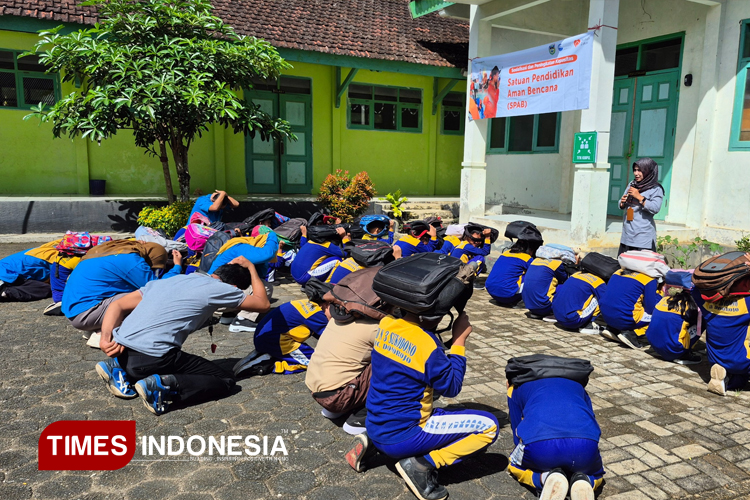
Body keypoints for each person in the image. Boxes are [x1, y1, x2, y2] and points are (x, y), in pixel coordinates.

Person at [345, 266, 498, 500]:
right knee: (489, 425)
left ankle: (372, 441)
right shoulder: (426, 345)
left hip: (375, 423)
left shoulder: (386, 325)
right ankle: (422, 464)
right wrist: (459, 340)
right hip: (405, 435)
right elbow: (452, 386)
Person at [94, 257, 269, 413]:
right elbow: (263, 304)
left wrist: (104, 339)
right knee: (224, 379)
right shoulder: (221, 289)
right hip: (151, 358)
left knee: (155, 358)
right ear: (234, 287)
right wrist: (252, 268)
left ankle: (119, 368)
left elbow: (116, 305)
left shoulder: (171, 280)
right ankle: (160, 386)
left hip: (121, 348)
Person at [507, 369, 604, 500]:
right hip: (584, 446)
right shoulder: (578, 385)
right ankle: (585, 481)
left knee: (513, 465)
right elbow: (591, 418)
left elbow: (516, 427)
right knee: (598, 475)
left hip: (541, 447)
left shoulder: (515, 387)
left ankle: (545, 478)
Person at [62, 243, 182, 345]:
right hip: (85, 313)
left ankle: (96, 327)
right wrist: (177, 267)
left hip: (75, 311)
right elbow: (157, 288)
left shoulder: (110, 252)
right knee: (147, 298)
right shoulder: (133, 261)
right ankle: (106, 334)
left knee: (131, 293)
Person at [233, 280, 332, 377]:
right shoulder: (318, 314)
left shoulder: (310, 304)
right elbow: (330, 337)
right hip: (275, 342)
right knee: (317, 363)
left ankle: (267, 354)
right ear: (326, 304)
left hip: (267, 339)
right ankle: (271, 364)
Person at [306, 313, 378, 435]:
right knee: (394, 362)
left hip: (315, 389)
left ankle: (340, 409)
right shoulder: (376, 327)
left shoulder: (338, 317)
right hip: (338, 397)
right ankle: (361, 417)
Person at [599, 269, 662, 350]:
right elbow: (650, 308)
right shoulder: (649, 279)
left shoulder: (617, 272)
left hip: (606, 316)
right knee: (658, 313)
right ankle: (633, 335)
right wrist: (660, 294)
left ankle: (613, 329)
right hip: (625, 319)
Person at [701, 296, 750, 396]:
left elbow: (694, 289)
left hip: (714, 358)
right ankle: (730, 375)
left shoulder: (705, 300)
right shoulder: (746, 302)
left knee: (741, 379)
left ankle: (727, 377)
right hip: (740, 359)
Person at [618, 158, 664, 255]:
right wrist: (622, 203)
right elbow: (621, 201)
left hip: (643, 238)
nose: (636, 173)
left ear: (648, 171)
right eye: (635, 170)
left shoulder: (656, 188)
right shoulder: (632, 183)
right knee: (624, 266)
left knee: (640, 267)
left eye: (640, 170)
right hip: (627, 235)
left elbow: (655, 208)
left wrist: (639, 197)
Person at [646, 289, 703, 365]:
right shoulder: (688, 306)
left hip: (653, 345)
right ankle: (684, 354)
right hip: (673, 350)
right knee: (702, 322)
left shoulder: (665, 299)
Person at [485, 238, 541, 306]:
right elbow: (538, 272)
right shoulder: (526, 258)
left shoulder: (506, 253)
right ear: (530, 249)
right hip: (509, 296)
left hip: (492, 292)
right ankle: (527, 301)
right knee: (533, 277)